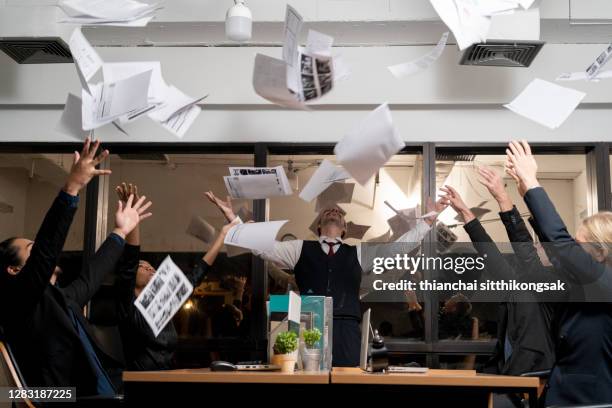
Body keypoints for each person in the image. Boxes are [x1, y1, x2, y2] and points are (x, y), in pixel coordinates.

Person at [205, 190, 448, 367]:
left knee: (348, 383)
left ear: (343, 229)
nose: (334, 213)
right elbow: (263, 247)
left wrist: (428, 220)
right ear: (319, 226)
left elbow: (396, 249)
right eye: (328, 213)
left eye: (339, 214)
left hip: (346, 331)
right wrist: (234, 222)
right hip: (308, 327)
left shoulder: (358, 252)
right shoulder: (300, 248)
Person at [0, 139, 153, 397]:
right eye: (31, 250)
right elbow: (45, 253)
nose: (39, 253)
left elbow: (91, 276)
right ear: (14, 270)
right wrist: (72, 187)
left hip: (110, 391)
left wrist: (121, 230)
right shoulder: (20, 301)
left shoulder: (59, 299)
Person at [506, 140, 612, 406]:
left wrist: (532, 182)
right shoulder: (590, 284)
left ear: (600, 252)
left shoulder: (605, 282)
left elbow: (561, 245)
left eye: (580, 244)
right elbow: (558, 251)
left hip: (590, 401)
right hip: (567, 396)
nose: (573, 250)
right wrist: (526, 195)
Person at [114, 183, 236, 371]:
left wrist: (224, 233)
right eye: (142, 266)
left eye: (151, 267)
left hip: (168, 378)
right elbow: (130, 258)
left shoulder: (160, 304)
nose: (149, 268)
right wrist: (132, 219)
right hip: (140, 383)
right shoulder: (127, 305)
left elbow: (196, 274)